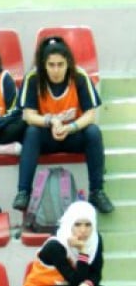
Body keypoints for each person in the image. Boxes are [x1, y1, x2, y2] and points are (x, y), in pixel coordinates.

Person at [13, 36, 114, 213]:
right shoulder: (33, 78)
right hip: (46, 136)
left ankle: (97, 191)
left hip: (72, 135)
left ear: (68, 63)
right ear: (44, 64)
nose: (56, 70)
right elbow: (29, 116)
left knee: (93, 132)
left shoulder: (80, 76)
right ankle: (23, 192)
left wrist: (70, 127)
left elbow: (90, 115)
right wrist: (51, 121)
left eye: (60, 64)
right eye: (51, 65)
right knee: (31, 132)